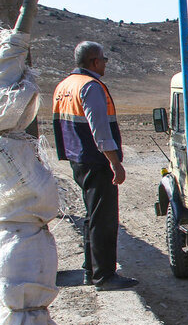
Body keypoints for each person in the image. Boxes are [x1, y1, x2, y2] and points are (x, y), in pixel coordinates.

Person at [52, 41, 137, 290]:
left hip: (77, 158)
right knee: (104, 219)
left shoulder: (64, 86)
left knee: (92, 215)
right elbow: (100, 129)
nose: (105, 64)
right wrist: (115, 163)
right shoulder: (90, 86)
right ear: (94, 62)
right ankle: (104, 276)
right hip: (96, 160)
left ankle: (90, 270)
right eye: (104, 59)